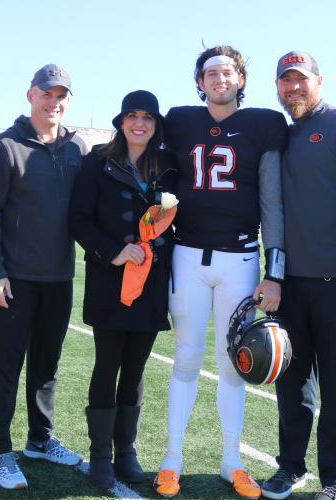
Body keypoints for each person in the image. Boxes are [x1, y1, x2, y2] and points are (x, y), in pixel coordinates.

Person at [153, 45, 288, 499]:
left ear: (241, 79)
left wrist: (276, 266)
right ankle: (172, 459)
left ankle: (232, 460)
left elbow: (270, 200)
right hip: (188, 255)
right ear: (200, 81)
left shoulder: (264, 124)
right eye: (210, 72)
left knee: (234, 365)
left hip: (241, 258)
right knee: (186, 357)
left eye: (227, 71)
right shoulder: (180, 118)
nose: (219, 79)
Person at [0, 63, 87, 490]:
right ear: (30, 95)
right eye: (47, 93)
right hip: (14, 279)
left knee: (47, 365)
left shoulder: (76, 148)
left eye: (61, 94)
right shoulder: (5, 146)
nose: (54, 101)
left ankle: (39, 439)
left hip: (59, 278)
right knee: (4, 367)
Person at [69, 90, 176, 489]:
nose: (139, 123)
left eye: (147, 117)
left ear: (156, 124)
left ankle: (126, 450)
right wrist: (113, 251)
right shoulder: (96, 162)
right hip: (110, 281)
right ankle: (100, 455)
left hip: (150, 283)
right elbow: (78, 219)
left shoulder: (167, 166)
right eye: (132, 115)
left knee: (135, 368)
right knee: (107, 363)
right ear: (120, 121)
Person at [261, 52, 336, 500]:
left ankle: (334, 477)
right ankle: (290, 466)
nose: (293, 88)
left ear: (319, 81)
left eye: (301, 80)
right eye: (285, 81)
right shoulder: (283, 136)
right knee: (293, 387)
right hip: (290, 284)